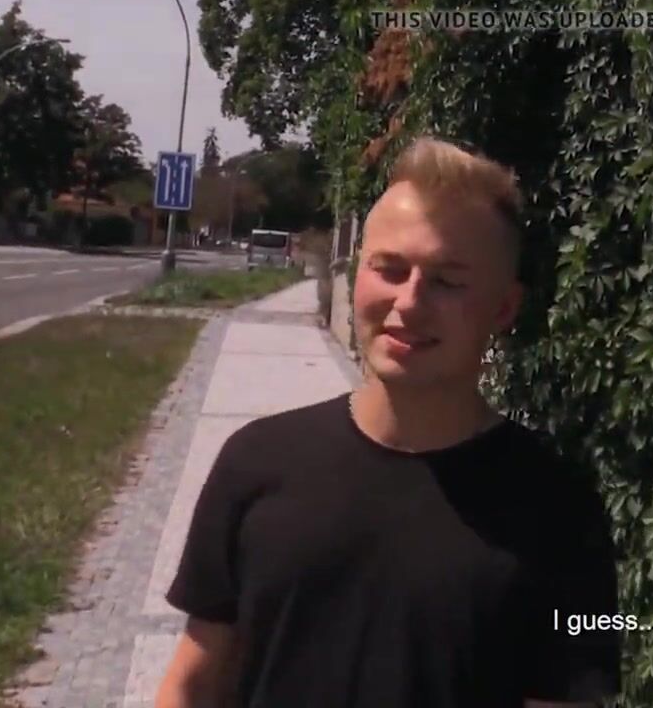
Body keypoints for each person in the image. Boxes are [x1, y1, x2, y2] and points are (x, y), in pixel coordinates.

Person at [156, 137, 622, 707]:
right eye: (390, 269)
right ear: (358, 276)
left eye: (448, 281)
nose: (409, 303)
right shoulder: (255, 462)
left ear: (503, 308)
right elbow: (193, 682)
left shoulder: (561, 506)